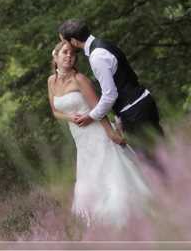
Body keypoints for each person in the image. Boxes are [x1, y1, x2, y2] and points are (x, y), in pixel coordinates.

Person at [47, 40, 151, 228]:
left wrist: (111, 133)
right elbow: (55, 111)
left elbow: (97, 108)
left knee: (110, 173)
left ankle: (128, 216)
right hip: (81, 139)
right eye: (64, 52)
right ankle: (101, 223)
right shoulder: (51, 82)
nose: (69, 56)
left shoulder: (80, 80)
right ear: (55, 56)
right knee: (91, 176)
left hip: (98, 132)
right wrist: (69, 117)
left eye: (72, 53)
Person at [58, 19, 165, 174]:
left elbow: (110, 95)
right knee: (162, 156)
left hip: (135, 111)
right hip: (141, 102)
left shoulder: (97, 56)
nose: (65, 46)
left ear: (74, 41)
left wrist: (91, 116)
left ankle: (178, 193)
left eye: (64, 42)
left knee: (154, 162)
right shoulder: (102, 44)